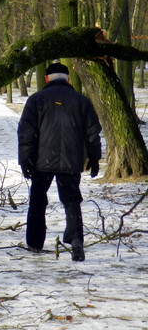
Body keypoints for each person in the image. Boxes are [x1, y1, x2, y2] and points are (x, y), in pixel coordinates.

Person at [17, 62, 102, 261]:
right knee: (72, 201)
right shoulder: (81, 101)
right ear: (68, 79)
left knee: (38, 201)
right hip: (72, 160)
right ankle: (76, 241)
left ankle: (35, 243)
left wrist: (25, 160)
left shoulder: (36, 100)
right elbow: (93, 134)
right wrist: (95, 158)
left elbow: (26, 133)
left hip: (41, 160)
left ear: (46, 78)